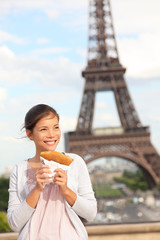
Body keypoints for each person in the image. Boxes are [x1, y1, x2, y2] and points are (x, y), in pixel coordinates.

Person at [7, 104, 97, 240]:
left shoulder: (75, 162)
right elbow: (14, 224)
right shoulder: (19, 169)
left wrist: (66, 190)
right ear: (29, 133)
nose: (52, 135)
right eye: (44, 129)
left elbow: (90, 214)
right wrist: (37, 189)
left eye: (56, 127)